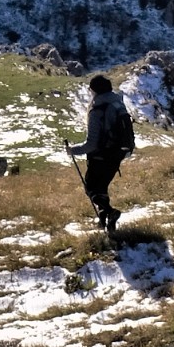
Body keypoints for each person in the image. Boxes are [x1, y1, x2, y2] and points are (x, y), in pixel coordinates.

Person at [68, 75, 127, 234]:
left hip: (100, 156)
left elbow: (92, 143)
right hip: (117, 154)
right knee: (101, 188)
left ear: (94, 90)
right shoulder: (117, 104)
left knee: (91, 188)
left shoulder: (98, 109)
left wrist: (73, 150)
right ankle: (105, 222)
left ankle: (110, 212)